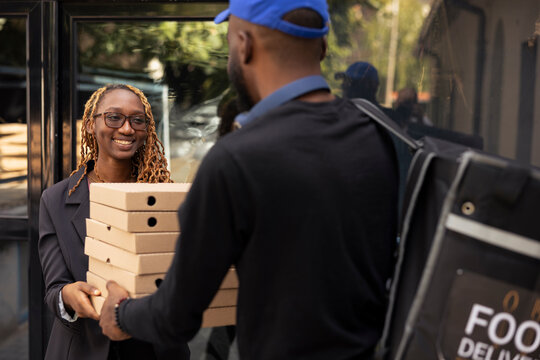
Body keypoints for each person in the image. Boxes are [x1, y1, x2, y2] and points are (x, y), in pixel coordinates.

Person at [100, 1, 399, 359]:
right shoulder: (378, 138)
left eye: (229, 43)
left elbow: (174, 319)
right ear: (321, 48)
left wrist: (120, 313)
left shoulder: (235, 161)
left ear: (244, 45)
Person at [38, 84, 189, 360]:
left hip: (154, 349)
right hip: (82, 349)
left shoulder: (165, 197)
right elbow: (54, 289)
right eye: (114, 117)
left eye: (137, 120)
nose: (127, 129)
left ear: (147, 130)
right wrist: (69, 295)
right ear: (91, 125)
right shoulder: (56, 199)